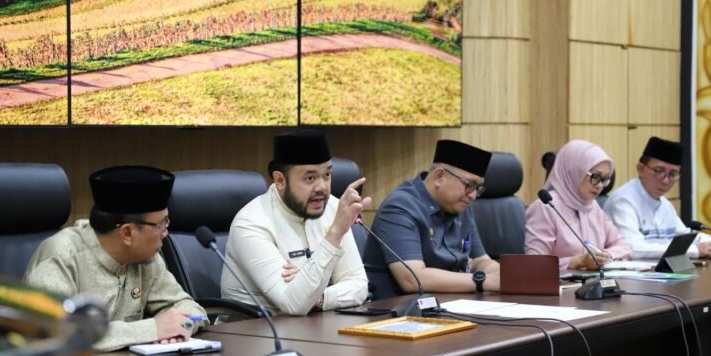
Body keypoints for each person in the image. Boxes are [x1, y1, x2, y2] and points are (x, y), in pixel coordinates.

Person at [24, 165, 208, 352]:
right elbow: (58, 332)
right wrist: (152, 329)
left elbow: (192, 309)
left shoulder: (146, 258)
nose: (166, 233)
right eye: (160, 224)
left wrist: (179, 328)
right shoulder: (61, 256)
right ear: (127, 233)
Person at [221, 129, 369, 315]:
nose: (323, 187)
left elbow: (359, 285)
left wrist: (319, 296)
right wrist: (336, 232)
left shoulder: (333, 207)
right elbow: (293, 303)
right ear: (280, 180)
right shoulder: (251, 223)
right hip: (255, 336)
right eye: (310, 178)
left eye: (327, 175)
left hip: (314, 330)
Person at [363, 139, 501, 296]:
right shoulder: (400, 207)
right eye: (469, 185)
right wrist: (483, 281)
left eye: (478, 188)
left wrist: (505, 277)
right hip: (397, 310)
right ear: (439, 177)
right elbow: (412, 279)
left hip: (449, 304)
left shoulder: (461, 206)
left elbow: (480, 261)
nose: (474, 195)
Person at [603, 136, 711, 259]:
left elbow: (684, 236)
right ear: (640, 169)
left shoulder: (664, 203)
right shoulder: (623, 201)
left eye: (673, 174)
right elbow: (632, 248)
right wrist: (693, 250)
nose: (665, 181)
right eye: (659, 171)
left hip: (661, 273)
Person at [525, 139, 632, 272]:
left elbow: (624, 246)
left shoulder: (593, 206)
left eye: (604, 179)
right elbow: (534, 264)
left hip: (593, 285)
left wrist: (605, 256)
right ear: (573, 170)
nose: (599, 185)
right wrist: (576, 261)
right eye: (595, 176)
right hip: (558, 288)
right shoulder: (546, 207)